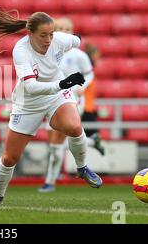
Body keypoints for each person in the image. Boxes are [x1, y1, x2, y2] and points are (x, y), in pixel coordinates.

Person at [0, 6, 102, 206]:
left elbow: (77, 40)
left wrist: (76, 41)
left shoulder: (59, 40)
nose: (48, 40)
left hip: (56, 96)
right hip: (28, 103)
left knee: (74, 126)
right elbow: (31, 87)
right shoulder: (21, 51)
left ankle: (82, 168)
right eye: (43, 35)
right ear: (30, 34)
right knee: (10, 157)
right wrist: (63, 84)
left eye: (51, 34)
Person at [38, 17, 104, 193]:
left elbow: (90, 75)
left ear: (72, 32)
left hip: (71, 100)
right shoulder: (48, 52)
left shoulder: (78, 55)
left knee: (57, 141)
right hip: (52, 98)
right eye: (59, 28)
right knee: (55, 142)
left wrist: (81, 87)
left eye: (66, 29)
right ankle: (90, 141)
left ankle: (50, 181)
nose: (62, 32)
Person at [81, 43, 101, 137]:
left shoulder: (90, 74)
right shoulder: (86, 74)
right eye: (96, 57)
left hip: (89, 110)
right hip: (85, 110)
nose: (98, 59)